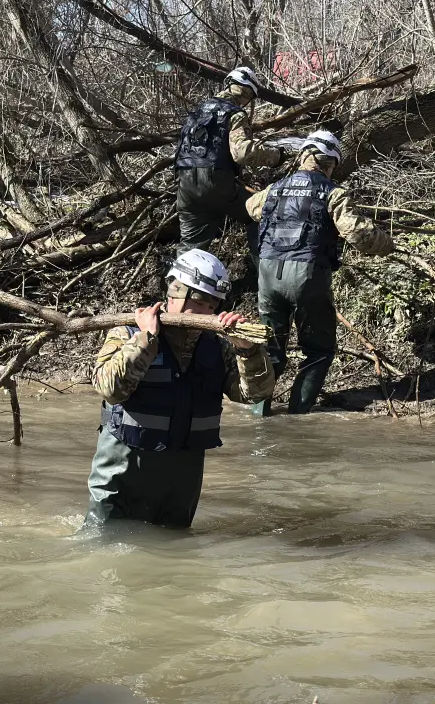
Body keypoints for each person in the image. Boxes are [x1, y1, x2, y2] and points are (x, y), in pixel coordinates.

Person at [83, 249, 276, 529]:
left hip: (181, 483)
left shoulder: (217, 346)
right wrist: (145, 339)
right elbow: (109, 388)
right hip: (122, 475)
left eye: (212, 306)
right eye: (200, 303)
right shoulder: (126, 333)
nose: (206, 313)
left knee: (173, 556)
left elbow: (254, 394)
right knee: (105, 547)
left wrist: (247, 350)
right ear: (175, 294)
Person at [244, 130, 395, 416]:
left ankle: (258, 415)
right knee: (318, 351)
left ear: (303, 156)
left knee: (270, 350)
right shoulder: (332, 193)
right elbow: (357, 234)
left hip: (267, 275)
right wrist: (387, 244)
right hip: (307, 275)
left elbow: (251, 208)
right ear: (332, 163)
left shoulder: (275, 189)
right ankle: (297, 417)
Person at [174, 67, 284, 257]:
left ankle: (178, 285)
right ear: (248, 94)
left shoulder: (197, 111)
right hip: (214, 181)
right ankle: (264, 281)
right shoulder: (235, 114)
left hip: (184, 185)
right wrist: (276, 156)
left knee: (190, 247)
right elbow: (242, 153)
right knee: (256, 214)